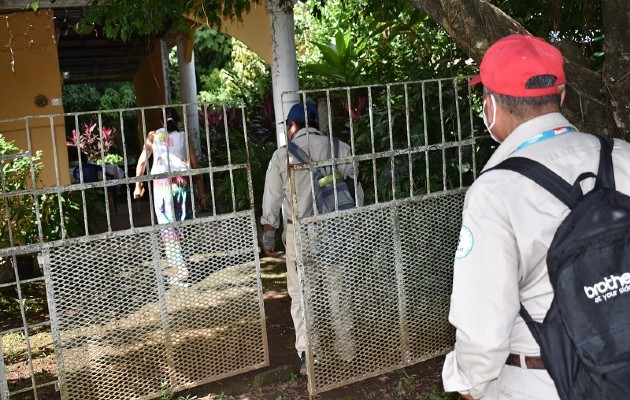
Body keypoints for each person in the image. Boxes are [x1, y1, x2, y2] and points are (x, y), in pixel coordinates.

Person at [441, 34, 630, 399]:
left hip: (543, 382)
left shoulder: (496, 191)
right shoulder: (622, 156)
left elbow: (484, 322)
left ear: (491, 105)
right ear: (560, 96)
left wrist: (469, 382)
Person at [260, 102, 364, 375]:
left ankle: (309, 355)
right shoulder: (339, 147)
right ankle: (347, 349)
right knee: (337, 287)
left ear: (293, 126)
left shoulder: (282, 156)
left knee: (301, 293)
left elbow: (272, 200)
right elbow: (356, 192)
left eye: (287, 127)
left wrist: (269, 234)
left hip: (300, 231)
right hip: (334, 229)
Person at [133, 107, 207, 287]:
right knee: (183, 222)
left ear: (161, 122)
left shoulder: (153, 136)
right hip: (182, 183)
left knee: (167, 226)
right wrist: (202, 192)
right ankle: (183, 262)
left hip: (161, 184)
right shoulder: (184, 137)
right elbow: (195, 165)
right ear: (178, 120)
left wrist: (138, 184)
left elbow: (142, 161)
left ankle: (181, 269)